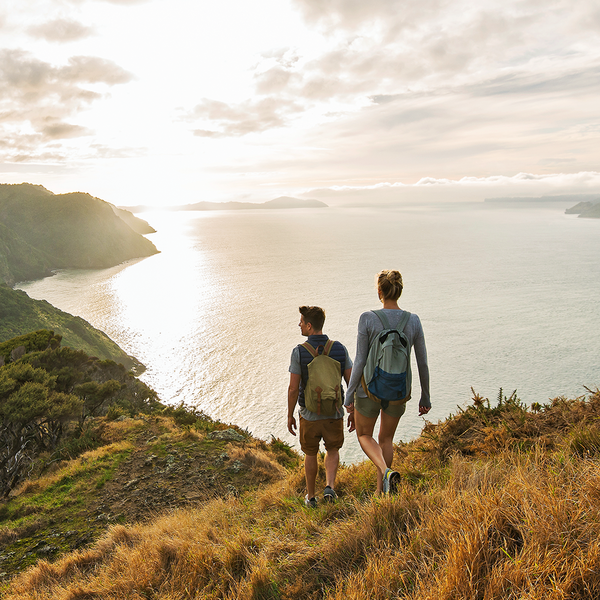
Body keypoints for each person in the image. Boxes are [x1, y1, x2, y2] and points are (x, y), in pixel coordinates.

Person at [345, 270, 430, 494]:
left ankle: (385, 471)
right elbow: (422, 363)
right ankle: (381, 495)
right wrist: (425, 396)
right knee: (387, 439)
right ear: (399, 291)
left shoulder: (367, 318)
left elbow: (360, 359)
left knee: (364, 435)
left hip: (368, 391)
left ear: (380, 291)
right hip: (399, 390)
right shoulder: (413, 320)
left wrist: (349, 393)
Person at [288, 305, 353, 508]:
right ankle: (330, 487)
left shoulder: (299, 351)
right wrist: (353, 410)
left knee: (310, 453)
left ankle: (311, 497)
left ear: (309, 326)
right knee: (333, 449)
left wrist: (289, 415)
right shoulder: (340, 348)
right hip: (334, 411)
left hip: (309, 414)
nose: (299, 325)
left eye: (301, 322)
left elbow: (293, 388)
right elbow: (351, 382)